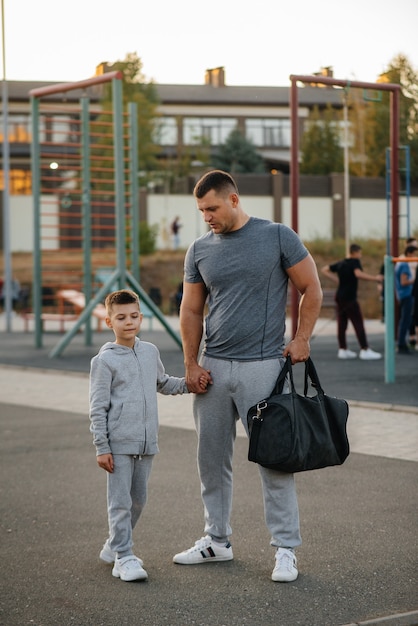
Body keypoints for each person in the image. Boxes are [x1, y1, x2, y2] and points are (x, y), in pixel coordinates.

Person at [172, 170, 323, 582]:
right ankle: (216, 540)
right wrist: (191, 363)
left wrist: (302, 338)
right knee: (211, 461)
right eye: (201, 210)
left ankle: (285, 550)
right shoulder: (199, 250)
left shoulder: (277, 236)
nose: (206, 217)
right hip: (214, 368)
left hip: (263, 368)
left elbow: (312, 287)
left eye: (212, 208)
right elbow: (190, 310)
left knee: (275, 461)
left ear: (234, 200)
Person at [89, 289, 195, 582]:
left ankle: (113, 545)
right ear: (109, 322)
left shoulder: (150, 352)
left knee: (138, 501)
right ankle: (123, 557)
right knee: (120, 502)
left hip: (147, 443)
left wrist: (190, 384)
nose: (129, 322)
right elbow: (97, 408)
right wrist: (102, 447)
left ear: (141, 318)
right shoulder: (104, 361)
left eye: (134, 316)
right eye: (121, 317)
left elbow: (162, 382)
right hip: (118, 445)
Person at [321, 244, 383, 360]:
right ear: (355, 252)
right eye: (360, 253)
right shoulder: (355, 262)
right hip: (349, 298)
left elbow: (324, 269)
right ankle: (365, 349)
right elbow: (358, 274)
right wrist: (375, 278)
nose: (360, 255)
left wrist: (336, 280)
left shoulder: (341, 263)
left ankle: (342, 349)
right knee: (358, 322)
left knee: (342, 323)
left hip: (339, 296)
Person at [394, 245, 418, 354]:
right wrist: (414, 281)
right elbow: (403, 281)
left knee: (405, 319)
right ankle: (401, 344)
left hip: (402, 295)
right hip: (406, 294)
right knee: (405, 320)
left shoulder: (400, 263)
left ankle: (401, 342)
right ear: (409, 253)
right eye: (414, 254)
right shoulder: (404, 265)